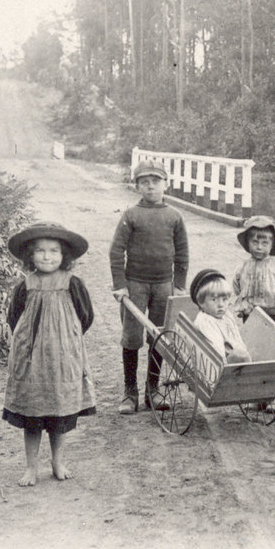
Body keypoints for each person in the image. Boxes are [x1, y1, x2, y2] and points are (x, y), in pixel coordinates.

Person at [3, 222, 96, 485]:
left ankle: (58, 461)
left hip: (62, 360)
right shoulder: (26, 285)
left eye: (54, 251)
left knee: (59, 411)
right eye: (41, 251)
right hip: (31, 360)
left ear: (64, 256)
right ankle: (31, 466)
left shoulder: (72, 283)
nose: (47, 256)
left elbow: (85, 316)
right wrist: (29, 343)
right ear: (30, 256)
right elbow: (14, 318)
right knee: (32, 412)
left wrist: (65, 339)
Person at [110, 161, 189, 414]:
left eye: (156, 181)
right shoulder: (131, 215)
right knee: (132, 338)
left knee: (159, 337)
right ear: (137, 186)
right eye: (144, 182)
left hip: (164, 286)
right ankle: (129, 393)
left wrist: (179, 285)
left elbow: (183, 253)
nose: (150, 186)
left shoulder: (174, 216)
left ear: (166, 184)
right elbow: (116, 251)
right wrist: (120, 285)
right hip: (135, 285)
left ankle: (152, 390)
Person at [232, 216, 275, 333]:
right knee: (253, 346)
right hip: (251, 315)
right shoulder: (243, 268)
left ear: (272, 244)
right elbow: (237, 288)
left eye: (264, 243)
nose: (259, 247)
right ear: (248, 243)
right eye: (255, 242)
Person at [189, 269, 252, 364]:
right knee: (239, 355)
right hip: (216, 363)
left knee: (242, 353)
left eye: (225, 299)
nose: (220, 304)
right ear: (201, 302)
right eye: (214, 300)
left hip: (232, 357)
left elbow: (236, 337)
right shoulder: (205, 321)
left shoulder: (226, 316)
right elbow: (216, 349)